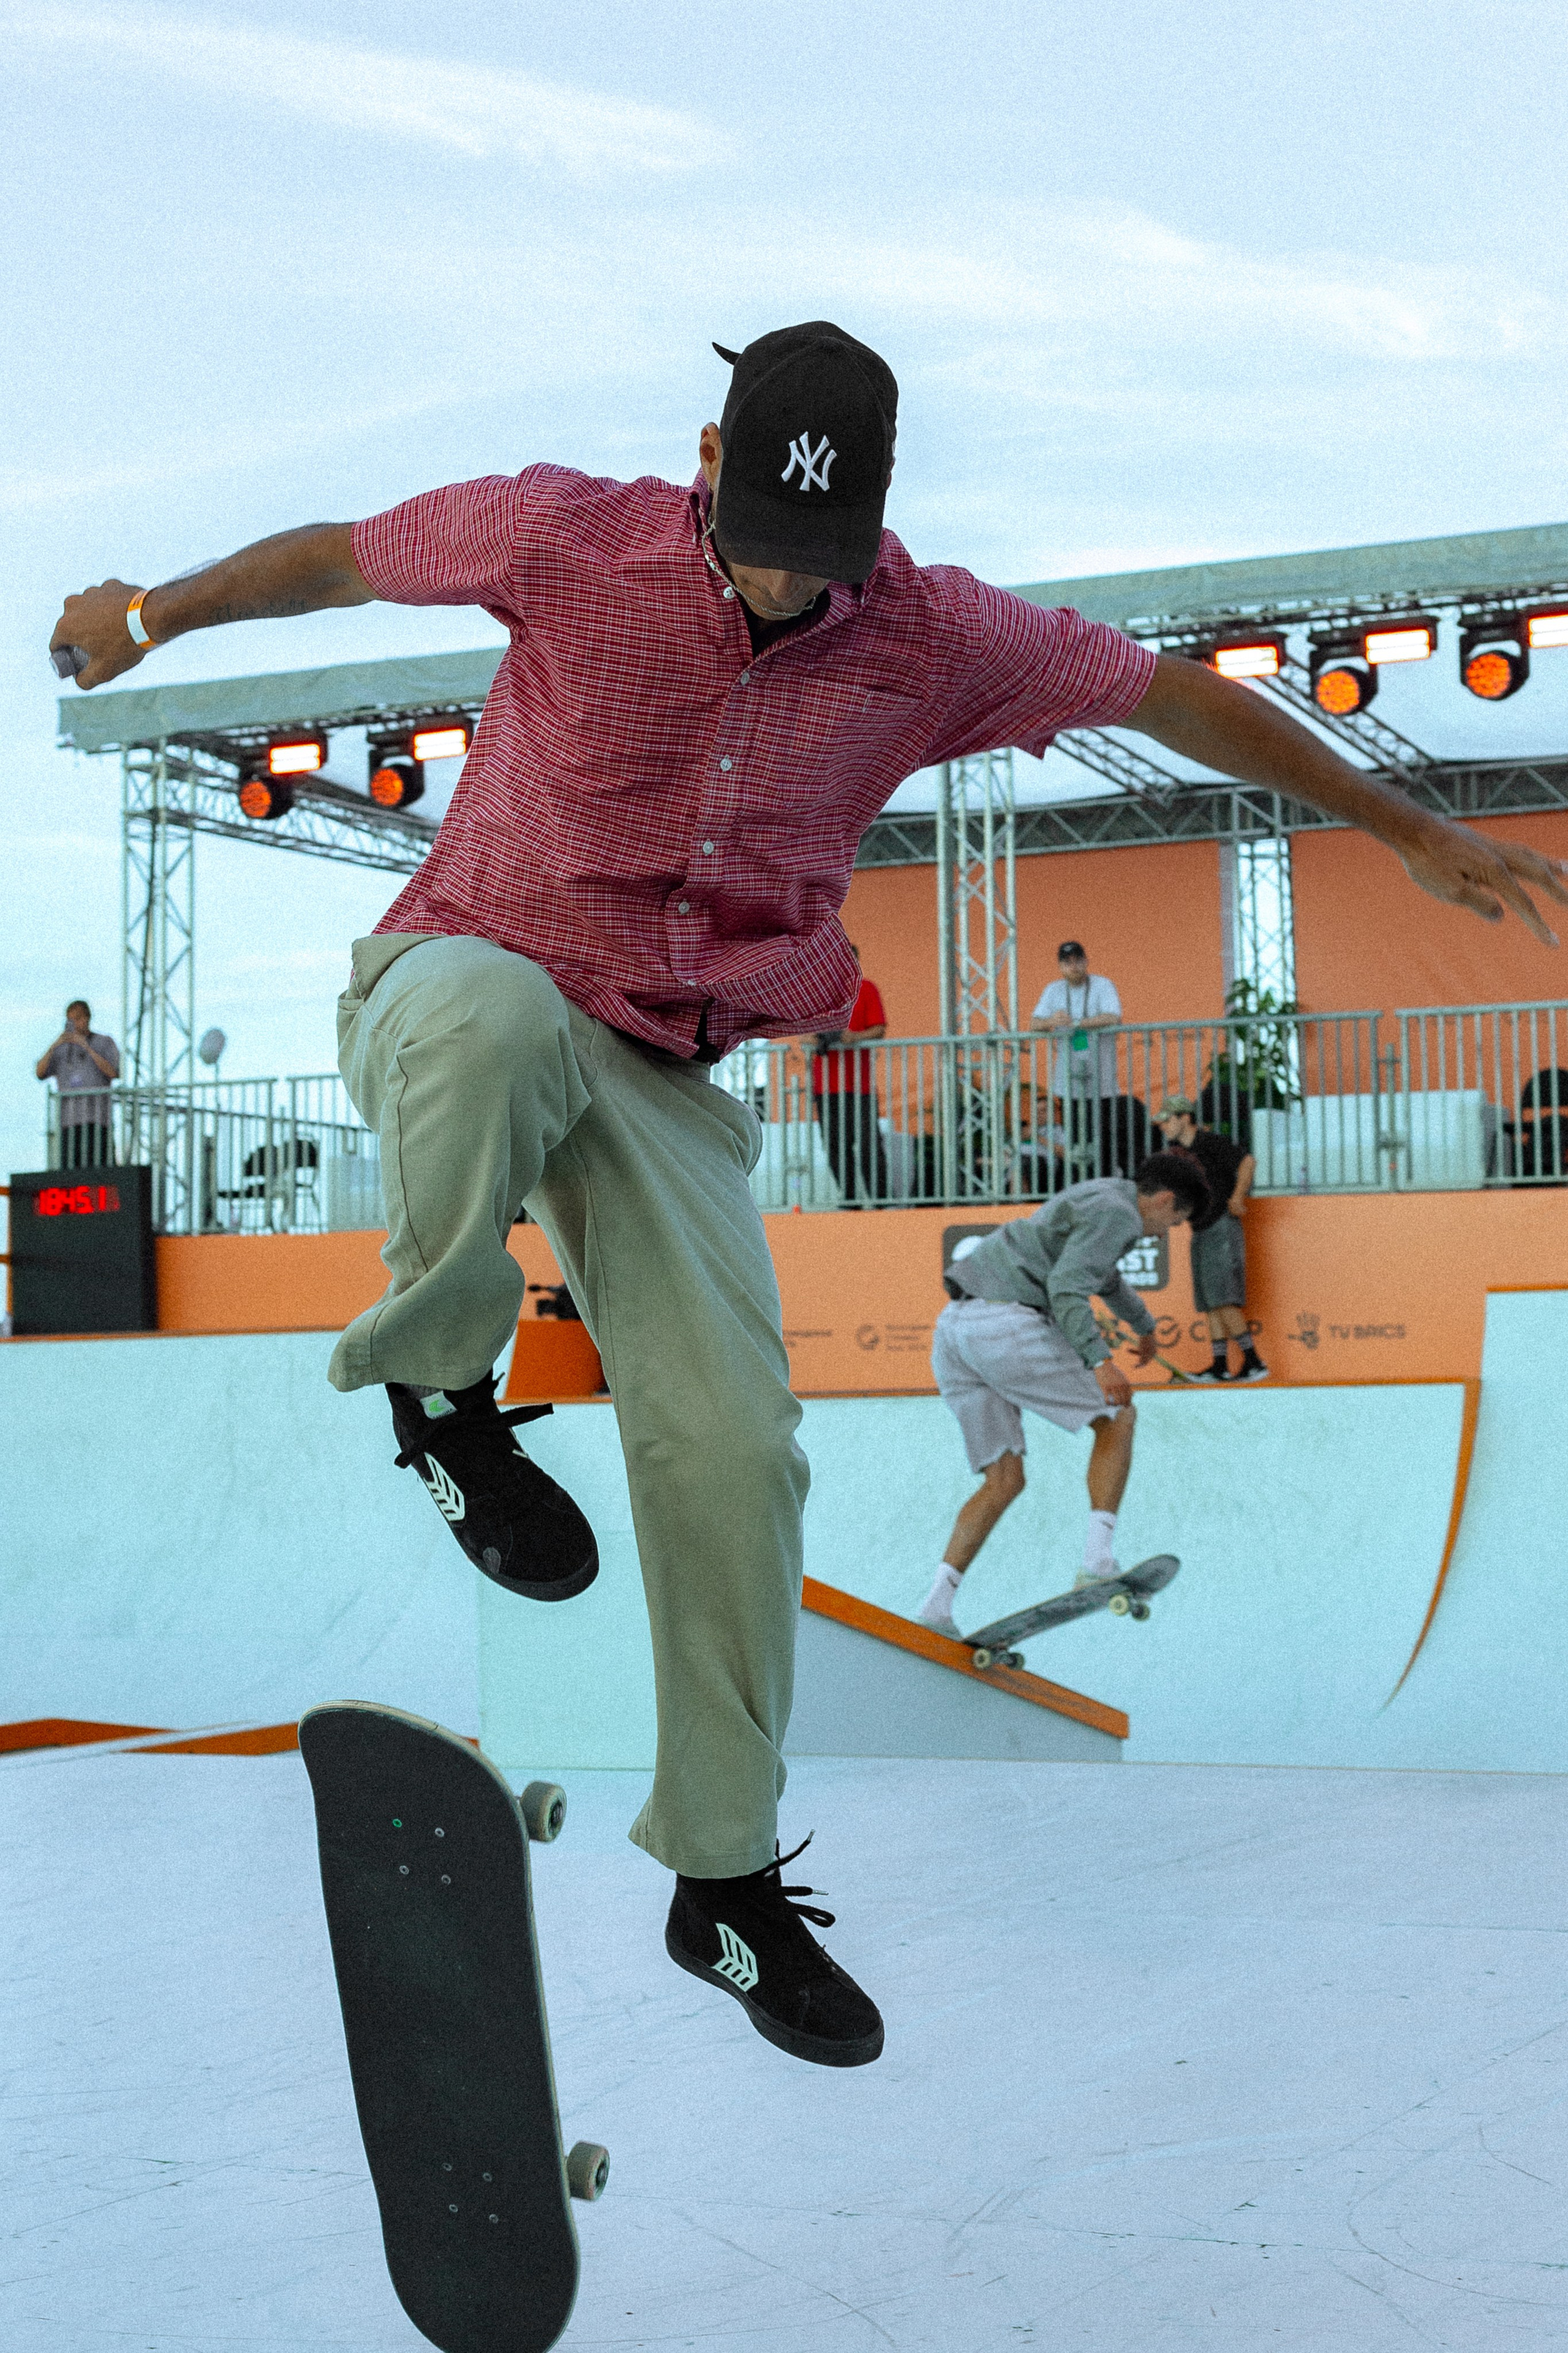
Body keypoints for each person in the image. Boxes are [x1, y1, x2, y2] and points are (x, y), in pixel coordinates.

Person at [52, 319, 1567, 2072]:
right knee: (477, 1007)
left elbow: (1176, 696)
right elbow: (335, 556)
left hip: (671, 1076)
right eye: (763, 546)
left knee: (735, 1449)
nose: (786, 591)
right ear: (708, 460)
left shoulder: (936, 632)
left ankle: (724, 1876)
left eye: (820, 566)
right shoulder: (561, 532)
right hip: (476, 974)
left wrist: (1396, 826)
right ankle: (448, 1395)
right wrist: (150, 617)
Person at [919, 1154, 1208, 1637]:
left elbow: (1105, 1278)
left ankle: (936, 1606)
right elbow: (1069, 1287)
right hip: (1005, 1326)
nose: (1168, 1232)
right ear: (1163, 1199)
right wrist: (1101, 1361)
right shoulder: (1121, 1215)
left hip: (954, 1332)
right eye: (1174, 1220)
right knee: (1118, 1416)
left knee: (1003, 1479)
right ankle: (1097, 1559)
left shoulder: (1104, 1193)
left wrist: (1144, 1325)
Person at [1157, 1093, 1267, 1382]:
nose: (1163, 1126)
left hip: (1221, 1224)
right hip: (1201, 1227)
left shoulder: (1211, 1143)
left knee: (1223, 1298)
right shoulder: (1175, 1152)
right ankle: (1219, 1365)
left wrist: (1237, 1197)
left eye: (1167, 1120)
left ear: (1184, 1118)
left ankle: (1254, 1362)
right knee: (1209, 1301)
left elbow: (1247, 1162)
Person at [1030, 942, 1139, 1177]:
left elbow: (1113, 1016)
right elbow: (1034, 1023)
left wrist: (1076, 1024)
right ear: (1060, 966)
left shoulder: (1103, 985)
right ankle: (1084, 1185)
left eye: (1078, 960)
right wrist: (1052, 1022)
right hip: (1068, 1082)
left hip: (1103, 1082)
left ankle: (1108, 1181)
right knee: (1077, 1141)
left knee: (1104, 1139)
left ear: (1087, 961)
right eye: (1068, 962)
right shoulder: (1053, 990)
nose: (1074, 966)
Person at [809, 943, 888, 1203]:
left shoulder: (867, 989)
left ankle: (880, 1199)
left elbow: (879, 1029)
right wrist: (819, 1039)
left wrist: (854, 1037)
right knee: (835, 1147)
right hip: (826, 1087)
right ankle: (851, 1198)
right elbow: (805, 1034)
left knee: (868, 1145)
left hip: (859, 1085)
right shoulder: (819, 992)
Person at [36, 1000, 119, 1166]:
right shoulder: (61, 1049)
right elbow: (40, 1073)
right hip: (69, 1123)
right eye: (70, 1020)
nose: (74, 1024)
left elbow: (114, 1072)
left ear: (87, 1018)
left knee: (101, 1170)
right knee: (71, 1173)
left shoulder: (104, 1042)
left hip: (97, 1122)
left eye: (77, 1019)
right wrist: (55, 1045)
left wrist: (86, 1047)